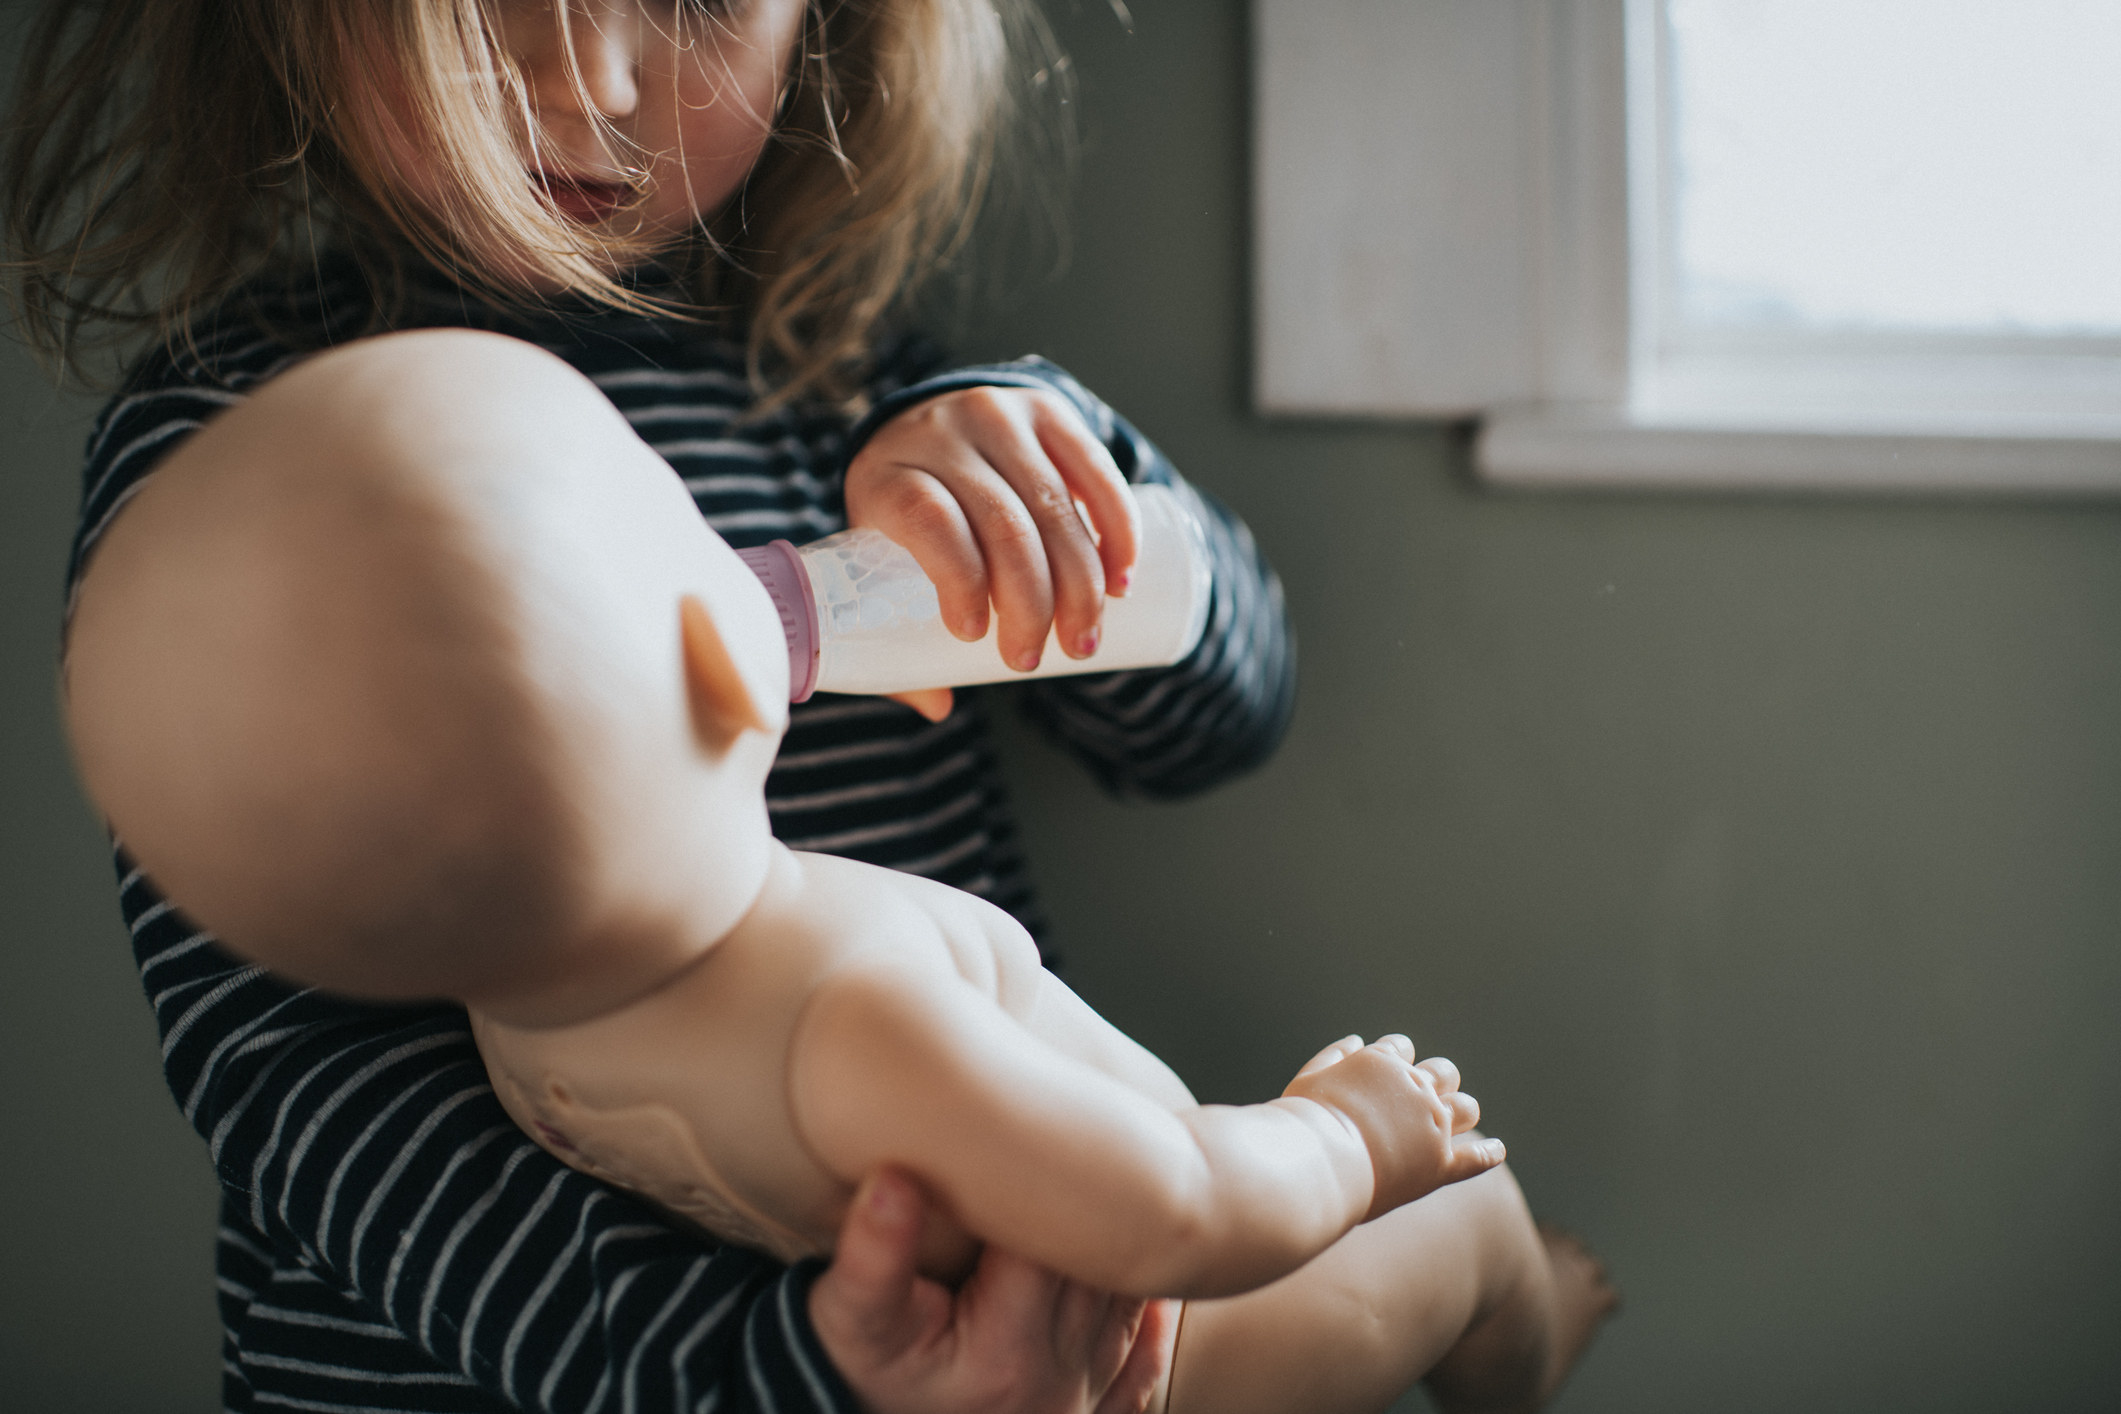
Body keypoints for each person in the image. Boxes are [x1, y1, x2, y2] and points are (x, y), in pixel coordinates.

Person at [8, 4, 1612, 1414]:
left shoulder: (833, 395)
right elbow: (311, 1090)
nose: (596, 80)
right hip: (560, 1367)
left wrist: (1053, 485)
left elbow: (1214, 720)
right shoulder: (240, 463)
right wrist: (781, 1372)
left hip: (1006, 1312)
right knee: (1438, 1228)